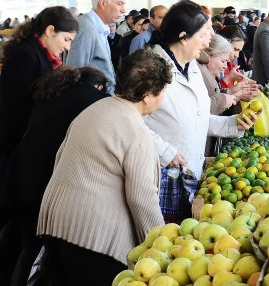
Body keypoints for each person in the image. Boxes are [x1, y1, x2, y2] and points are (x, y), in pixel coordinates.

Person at [37, 50, 171, 285]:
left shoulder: (95, 109)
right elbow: (142, 198)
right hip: (91, 236)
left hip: (55, 223)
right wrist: (161, 247)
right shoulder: (136, 131)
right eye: (162, 91)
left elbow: (61, 157)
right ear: (148, 96)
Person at [0, 66, 108, 286]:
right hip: (39, 183)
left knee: (13, 238)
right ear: (96, 85)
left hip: (19, 175)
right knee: (34, 246)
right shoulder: (89, 97)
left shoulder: (53, 92)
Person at [145, 0, 257, 222]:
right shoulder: (151, 68)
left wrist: (233, 123)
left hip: (188, 175)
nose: (208, 42)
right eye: (204, 34)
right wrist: (165, 152)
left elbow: (198, 118)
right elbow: (130, 122)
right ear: (183, 36)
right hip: (161, 176)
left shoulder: (192, 67)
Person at [0, 6, 78, 168]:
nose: (68, 47)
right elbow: (16, 106)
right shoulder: (25, 55)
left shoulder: (41, 54)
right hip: (19, 141)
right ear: (50, 31)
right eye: (66, 39)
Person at [65, 0, 126, 94]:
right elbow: (73, 73)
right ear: (102, 3)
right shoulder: (86, 27)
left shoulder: (99, 27)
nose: (123, 10)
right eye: (119, 4)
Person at [198, 34, 237, 115]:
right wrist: (223, 101)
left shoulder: (205, 72)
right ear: (209, 55)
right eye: (223, 61)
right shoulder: (198, 74)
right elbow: (200, 108)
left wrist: (232, 92)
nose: (225, 66)